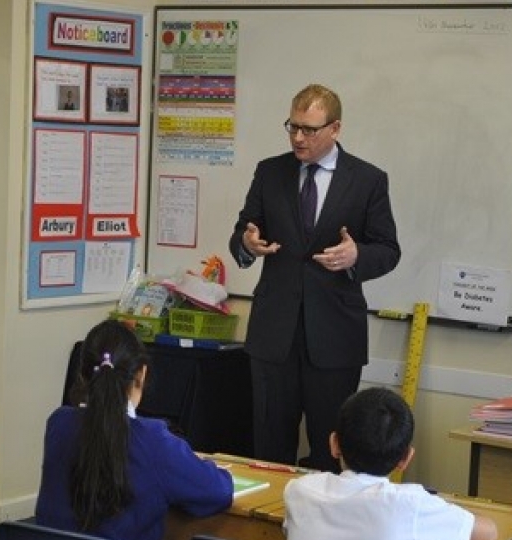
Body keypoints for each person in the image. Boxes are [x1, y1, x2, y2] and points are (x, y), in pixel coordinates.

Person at [228, 83, 400, 471]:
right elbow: (243, 232)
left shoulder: (368, 180)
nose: (298, 138)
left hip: (335, 338)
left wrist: (356, 255)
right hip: (274, 337)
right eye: (293, 127)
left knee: (331, 451)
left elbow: (388, 250)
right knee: (269, 451)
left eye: (309, 129)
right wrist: (247, 244)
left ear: (335, 128)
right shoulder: (270, 172)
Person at [34, 319, 233, 540]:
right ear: (141, 375)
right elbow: (218, 492)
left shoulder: (58, 424)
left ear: (82, 375)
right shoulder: (154, 441)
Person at [283, 386, 498, 540]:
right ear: (405, 458)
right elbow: (488, 532)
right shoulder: (411, 504)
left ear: (334, 444)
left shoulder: (299, 491)